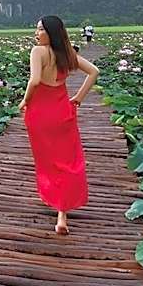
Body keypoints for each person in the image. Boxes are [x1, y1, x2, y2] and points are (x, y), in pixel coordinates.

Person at [18, 15, 99, 235]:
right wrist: (79, 98)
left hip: (40, 113)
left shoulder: (38, 52)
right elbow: (94, 72)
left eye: (41, 30)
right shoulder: (67, 53)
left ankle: (53, 199)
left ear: (51, 32)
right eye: (36, 29)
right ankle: (61, 214)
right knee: (67, 160)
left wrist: (25, 100)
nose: (37, 34)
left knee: (46, 160)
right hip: (63, 112)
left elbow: (34, 81)